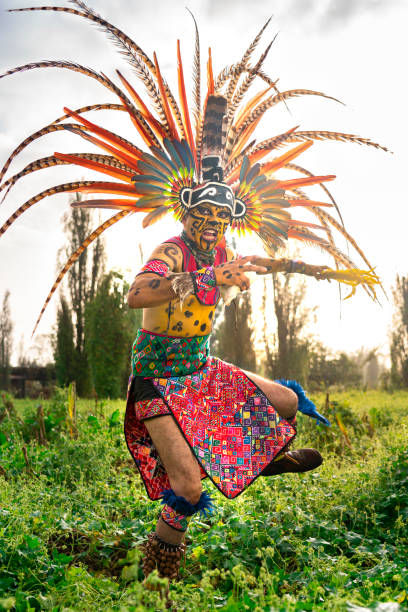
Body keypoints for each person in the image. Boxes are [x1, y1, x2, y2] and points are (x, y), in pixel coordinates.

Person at [0, 2, 382, 582]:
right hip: (158, 376)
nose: (213, 226)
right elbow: (137, 296)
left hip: (201, 370)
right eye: (204, 216)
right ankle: (160, 567)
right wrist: (200, 279)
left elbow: (267, 260)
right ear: (189, 214)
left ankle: (247, 461)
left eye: (221, 218)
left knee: (283, 404)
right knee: (186, 484)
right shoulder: (173, 252)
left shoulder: (227, 251)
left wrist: (326, 271)